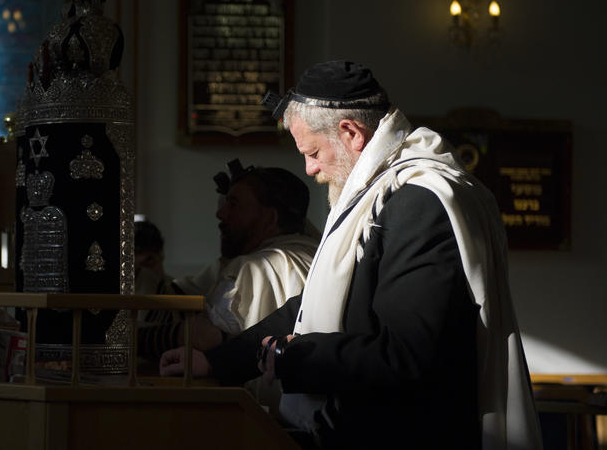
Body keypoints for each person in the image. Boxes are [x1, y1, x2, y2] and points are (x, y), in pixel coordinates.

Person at [160, 60, 542, 449]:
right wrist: (217, 362)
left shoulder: (418, 203)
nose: (309, 169)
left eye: (312, 152)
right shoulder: (381, 195)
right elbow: (308, 306)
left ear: (351, 132)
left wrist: (296, 356)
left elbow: (407, 355)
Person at [138, 162, 319, 359]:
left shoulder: (252, 267)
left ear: (269, 218)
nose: (220, 214)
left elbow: (204, 337)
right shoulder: (314, 255)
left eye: (234, 204)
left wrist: (126, 340)